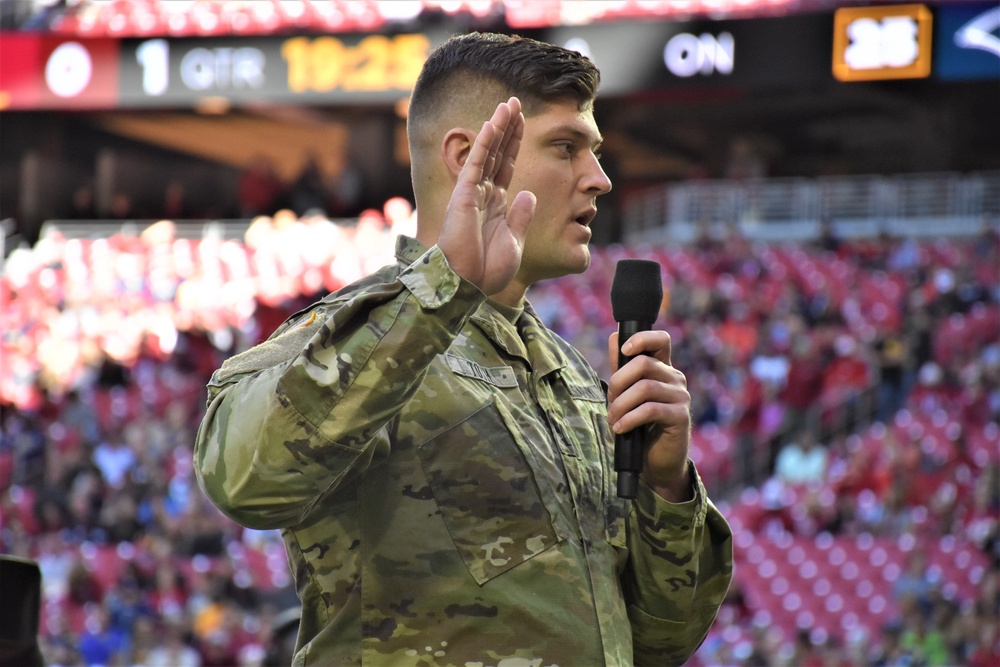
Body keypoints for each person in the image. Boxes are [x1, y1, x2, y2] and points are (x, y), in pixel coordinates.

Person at [194, 32, 732, 666]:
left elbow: (659, 642)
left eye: (594, 151)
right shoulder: (350, 343)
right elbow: (244, 481)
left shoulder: (576, 381)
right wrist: (439, 289)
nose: (601, 179)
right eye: (565, 147)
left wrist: (666, 489)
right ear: (468, 155)